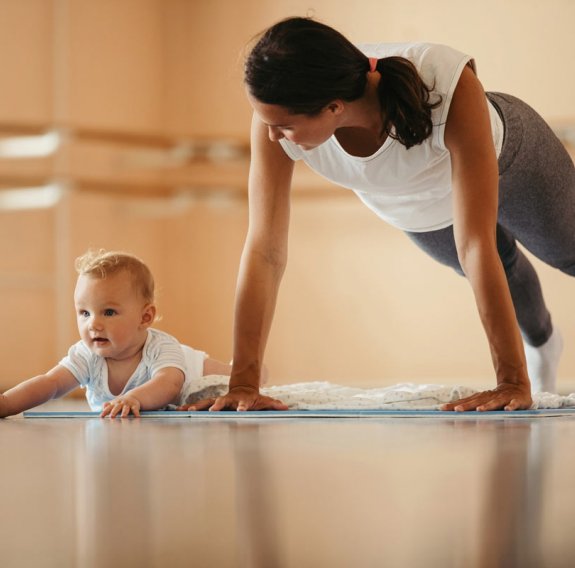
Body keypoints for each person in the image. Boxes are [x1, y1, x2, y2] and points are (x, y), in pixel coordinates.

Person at [185, 16, 574, 413]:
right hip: (415, 203)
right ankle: (543, 345)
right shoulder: (277, 112)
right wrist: (244, 383)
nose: (271, 136)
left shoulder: (442, 81)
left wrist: (510, 381)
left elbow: (475, 243)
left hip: (511, 159)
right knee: (504, 268)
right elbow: (264, 251)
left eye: (283, 127)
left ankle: (526, 364)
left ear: (334, 107)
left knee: (569, 253)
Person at [0, 249, 232, 419]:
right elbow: (50, 383)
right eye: (84, 313)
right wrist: (7, 403)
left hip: (190, 369)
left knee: (230, 379)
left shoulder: (161, 347)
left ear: (145, 317)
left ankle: (247, 369)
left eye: (108, 312)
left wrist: (135, 398)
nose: (94, 324)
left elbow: (169, 383)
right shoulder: (87, 355)